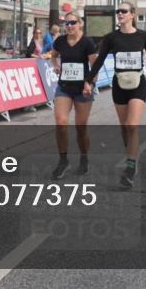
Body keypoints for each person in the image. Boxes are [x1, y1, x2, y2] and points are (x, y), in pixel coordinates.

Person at [84, 1, 146, 188]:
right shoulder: (111, 38)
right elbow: (99, 61)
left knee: (132, 125)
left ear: (132, 14)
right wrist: (89, 81)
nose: (120, 14)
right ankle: (131, 156)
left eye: (124, 11)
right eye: (118, 11)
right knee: (125, 128)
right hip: (119, 84)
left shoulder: (143, 36)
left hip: (138, 83)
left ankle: (130, 168)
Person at [48, 11, 97, 178]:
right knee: (61, 122)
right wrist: (55, 65)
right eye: (66, 23)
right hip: (64, 87)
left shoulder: (87, 43)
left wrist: (89, 83)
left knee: (80, 128)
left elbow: (95, 67)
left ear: (80, 23)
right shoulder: (60, 41)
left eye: (72, 23)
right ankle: (63, 161)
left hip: (82, 89)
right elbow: (53, 55)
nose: (69, 26)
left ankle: (84, 158)